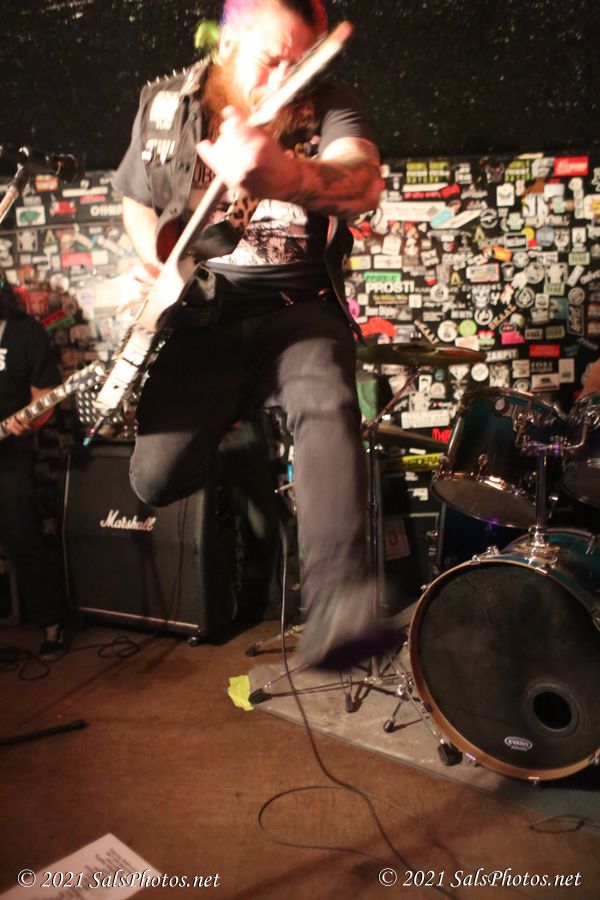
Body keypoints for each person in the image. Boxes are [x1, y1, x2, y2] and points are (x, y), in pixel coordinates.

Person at [112, 0, 397, 669]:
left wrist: (290, 176)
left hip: (300, 302)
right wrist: (158, 261)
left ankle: (338, 610)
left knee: (327, 402)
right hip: (210, 307)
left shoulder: (329, 104)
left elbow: (362, 180)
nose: (288, 78)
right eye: (273, 59)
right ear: (231, 40)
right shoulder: (167, 105)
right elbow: (134, 200)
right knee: (154, 479)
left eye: (302, 60)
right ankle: (239, 424)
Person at [0, 279, 68, 660]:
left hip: (10, 455)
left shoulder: (26, 333)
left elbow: (45, 401)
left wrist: (26, 422)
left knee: (22, 536)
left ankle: (52, 623)